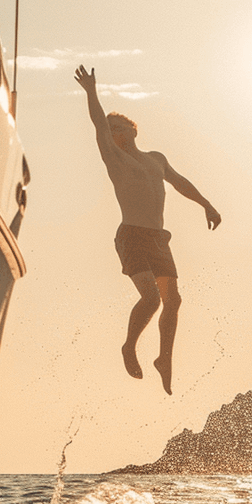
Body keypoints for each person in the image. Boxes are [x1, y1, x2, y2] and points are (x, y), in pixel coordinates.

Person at [75, 63, 221, 394]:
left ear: (134, 130)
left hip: (158, 239)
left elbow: (180, 182)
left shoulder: (156, 158)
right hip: (132, 237)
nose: (114, 132)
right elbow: (98, 125)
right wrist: (91, 92)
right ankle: (129, 346)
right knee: (152, 299)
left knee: (174, 301)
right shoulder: (114, 158)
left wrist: (207, 205)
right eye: (111, 130)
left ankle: (164, 359)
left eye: (120, 127)